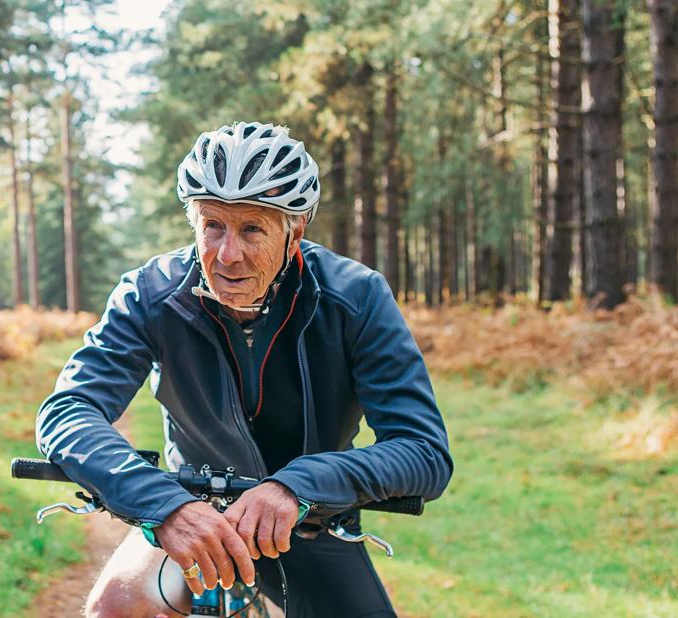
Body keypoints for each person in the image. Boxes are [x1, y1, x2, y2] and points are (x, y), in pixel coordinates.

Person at [35, 121, 452, 617]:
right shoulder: (149, 294)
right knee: (118, 607)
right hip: (191, 508)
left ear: (294, 232)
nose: (226, 254)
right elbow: (69, 410)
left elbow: (423, 451)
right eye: (213, 226)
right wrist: (162, 503)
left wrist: (301, 483)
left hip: (311, 514)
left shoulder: (355, 297)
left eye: (252, 228)